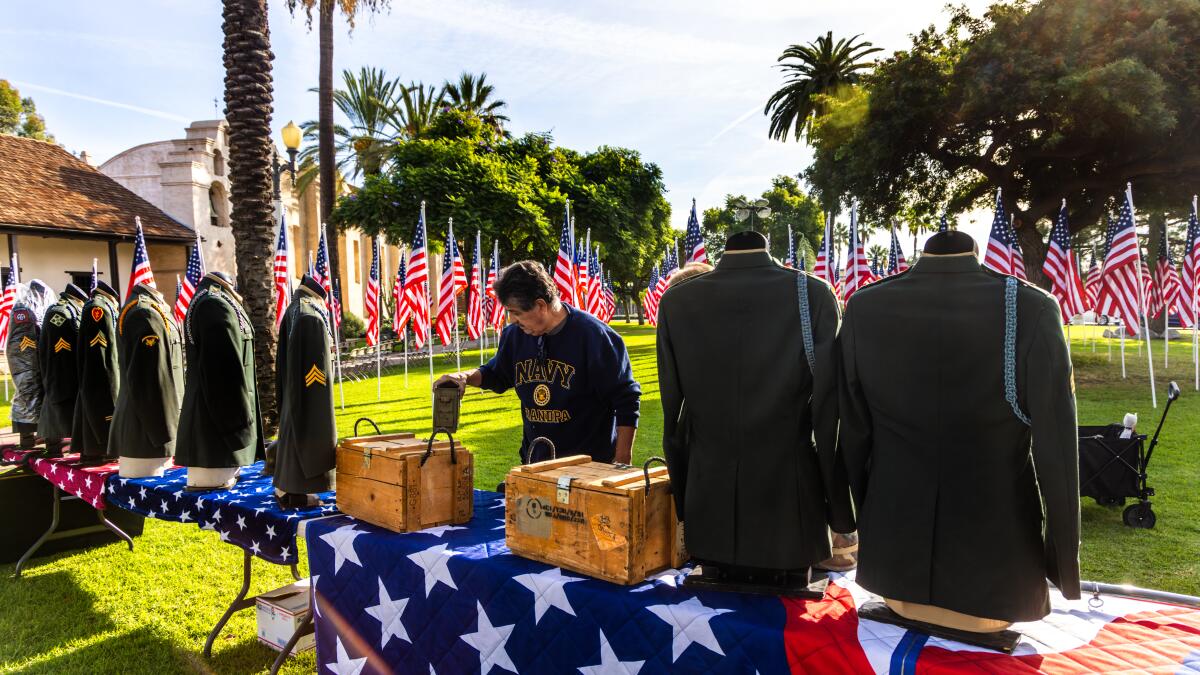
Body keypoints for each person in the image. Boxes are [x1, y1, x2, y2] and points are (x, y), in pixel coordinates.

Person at [436, 261, 641, 465]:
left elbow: (626, 399)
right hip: (535, 463)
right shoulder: (515, 336)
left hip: (589, 466)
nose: (512, 320)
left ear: (541, 305)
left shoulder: (594, 336)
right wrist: (463, 377)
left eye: (516, 313)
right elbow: (496, 373)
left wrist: (622, 460)